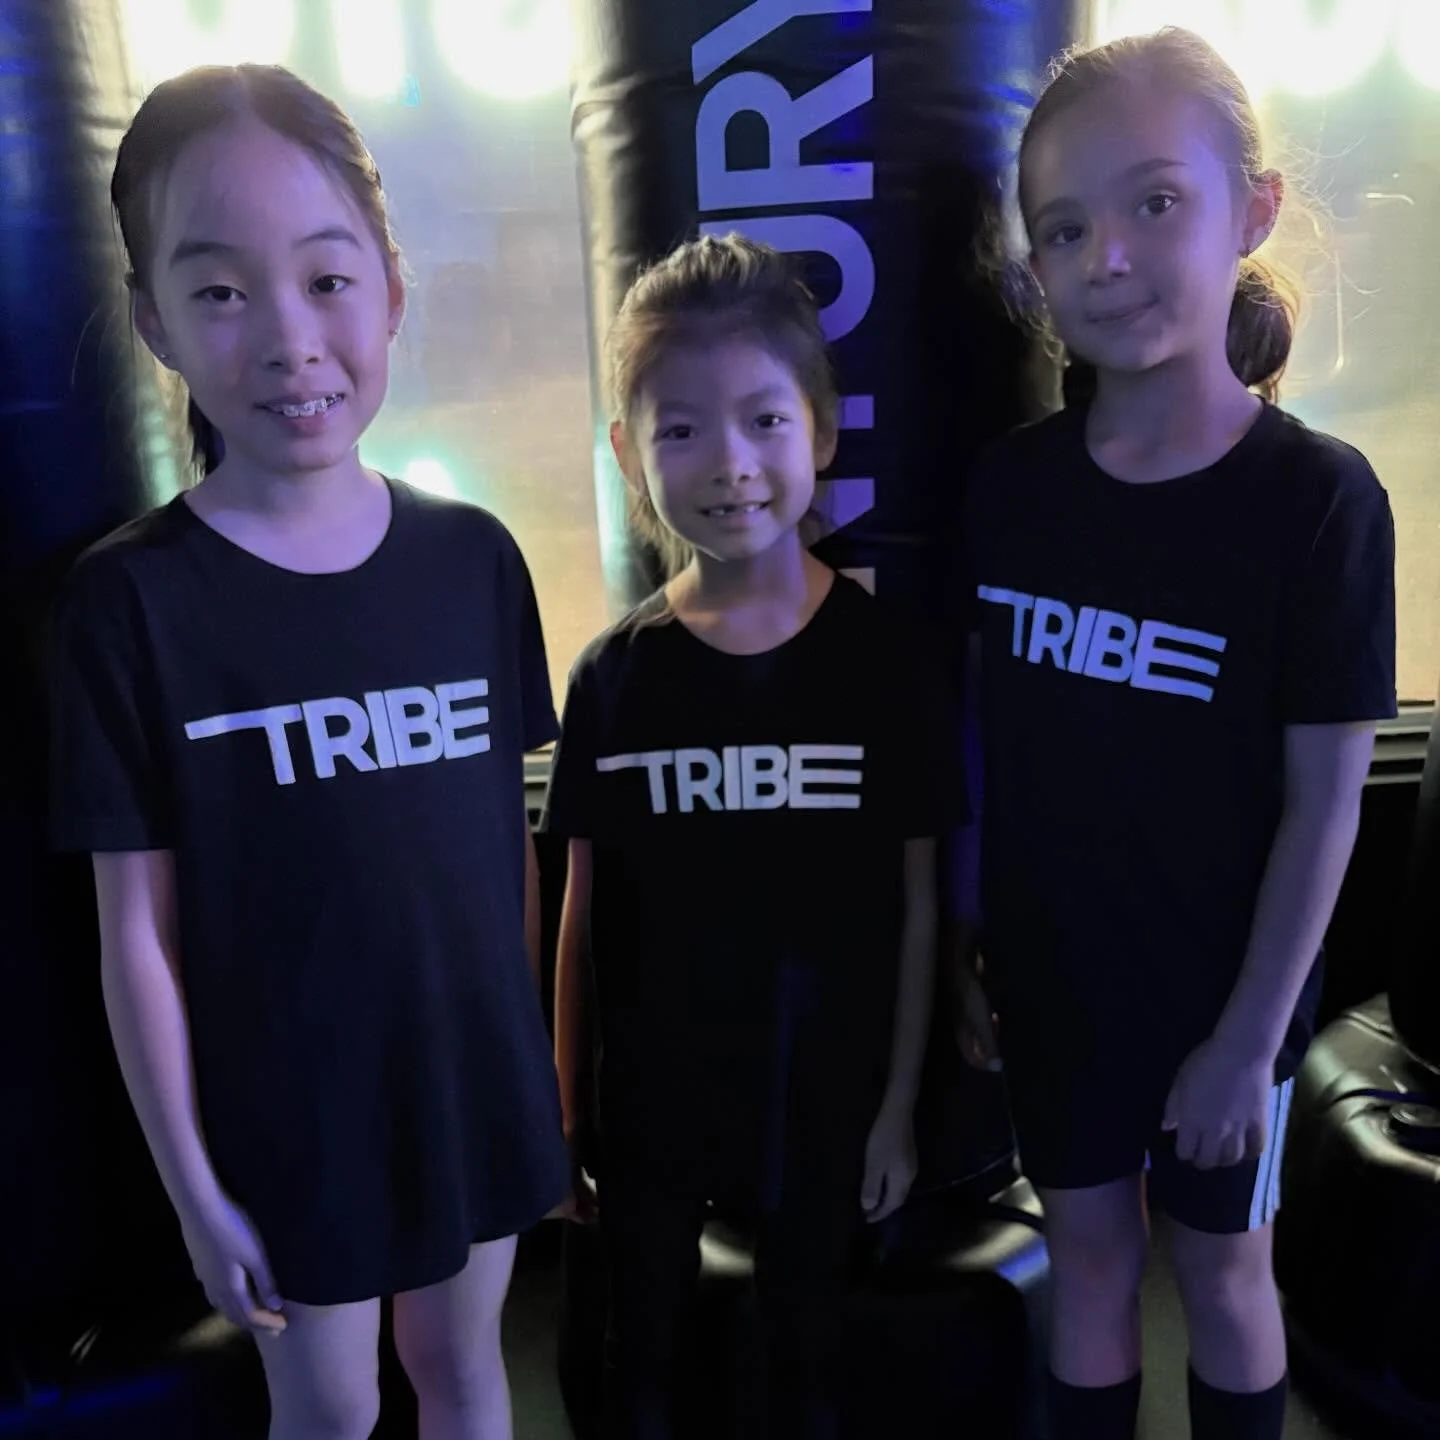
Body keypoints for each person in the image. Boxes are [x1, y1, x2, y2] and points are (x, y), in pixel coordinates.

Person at [48, 64, 567, 1440]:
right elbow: (135, 939)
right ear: (154, 320)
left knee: (467, 1371)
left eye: (327, 279)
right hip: (287, 1120)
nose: (289, 338)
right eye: (222, 292)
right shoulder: (129, 605)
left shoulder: (476, 560)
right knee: (330, 1410)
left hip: (471, 1088)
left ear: (390, 287)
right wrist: (192, 1189)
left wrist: (527, 1069)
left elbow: (502, 855)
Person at [950, 26, 1398, 1440]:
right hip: (1055, 984)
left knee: (1220, 1269)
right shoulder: (1010, 491)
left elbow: (1327, 801)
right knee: (1089, 1264)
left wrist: (1248, 1041)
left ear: (1252, 210)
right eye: (1064, 228)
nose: (1109, 258)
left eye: (1155, 202)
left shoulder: (1318, 501)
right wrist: (969, 942)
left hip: (1225, 997)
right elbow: (984, 748)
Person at [542, 233, 963, 1439]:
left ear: (819, 431)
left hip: (823, 1100)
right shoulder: (613, 676)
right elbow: (580, 911)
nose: (729, 464)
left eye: (764, 421)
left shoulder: (886, 664)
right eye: (680, 429)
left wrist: (897, 1107)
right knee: (639, 1371)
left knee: (808, 1364)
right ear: (629, 451)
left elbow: (918, 902)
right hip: (650, 1111)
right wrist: (563, 1117)